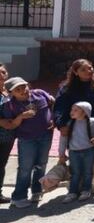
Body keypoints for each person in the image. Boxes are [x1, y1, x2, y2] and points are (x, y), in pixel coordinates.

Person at [52, 59, 94, 195]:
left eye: (90, 68)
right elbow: (59, 106)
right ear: (75, 72)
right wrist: (61, 124)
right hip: (74, 126)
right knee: (76, 156)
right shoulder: (67, 87)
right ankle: (75, 184)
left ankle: (91, 184)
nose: (89, 71)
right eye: (83, 70)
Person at [2, 78, 55, 209]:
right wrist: (21, 117)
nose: (23, 91)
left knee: (41, 164)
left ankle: (37, 191)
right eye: (17, 90)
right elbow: (10, 125)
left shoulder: (40, 94)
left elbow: (53, 103)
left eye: (24, 87)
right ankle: (19, 197)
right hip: (26, 139)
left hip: (45, 135)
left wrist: (54, 119)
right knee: (25, 168)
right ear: (11, 93)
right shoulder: (10, 105)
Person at [58, 101, 94, 203]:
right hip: (74, 152)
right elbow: (63, 138)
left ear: (85, 112)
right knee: (75, 173)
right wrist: (61, 153)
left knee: (88, 171)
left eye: (75, 110)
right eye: (72, 110)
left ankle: (86, 190)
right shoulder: (70, 123)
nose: (72, 112)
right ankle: (72, 192)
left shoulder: (93, 122)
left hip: (89, 150)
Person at [0, 63, 13, 203]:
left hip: (8, 136)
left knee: (1, 164)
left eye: (3, 72)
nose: (1, 75)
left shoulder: (10, 91)